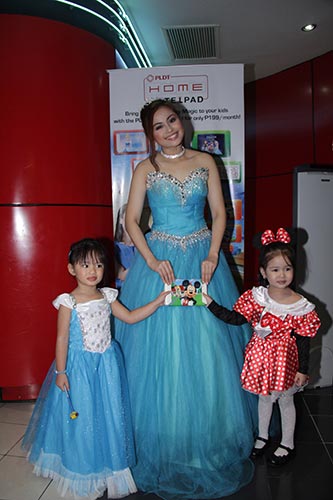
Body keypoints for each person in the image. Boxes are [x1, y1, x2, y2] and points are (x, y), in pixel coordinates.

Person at [115, 99, 258, 499]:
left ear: (183, 121)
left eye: (172, 121)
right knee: (157, 355)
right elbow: (131, 220)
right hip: (159, 265)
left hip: (200, 261)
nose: (168, 130)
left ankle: (204, 441)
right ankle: (164, 441)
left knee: (208, 351)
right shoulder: (145, 168)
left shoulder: (205, 161)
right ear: (151, 134)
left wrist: (213, 253)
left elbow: (218, 212)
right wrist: (150, 258)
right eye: (158, 127)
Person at [22, 238, 167, 499]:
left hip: (107, 366)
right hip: (78, 368)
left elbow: (130, 317)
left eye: (99, 265)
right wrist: (61, 372)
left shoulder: (107, 296)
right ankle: (81, 467)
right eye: (85, 265)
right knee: (83, 415)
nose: (93, 271)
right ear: (71, 269)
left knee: (107, 414)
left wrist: (157, 302)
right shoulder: (68, 302)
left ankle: (106, 464)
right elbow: (62, 338)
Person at [204, 228, 321, 466]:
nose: (282, 275)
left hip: (286, 360)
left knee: (286, 400)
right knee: (264, 398)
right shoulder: (256, 298)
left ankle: (287, 442)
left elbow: (303, 339)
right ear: (263, 272)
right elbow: (236, 319)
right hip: (260, 357)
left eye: (287, 268)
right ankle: (263, 436)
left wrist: (302, 369)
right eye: (275, 269)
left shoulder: (300, 306)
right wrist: (209, 303)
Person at [114, 204, 136, 288]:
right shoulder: (115, 248)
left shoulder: (146, 245)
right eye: (128, 216)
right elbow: (121, 276)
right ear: (121, 220)